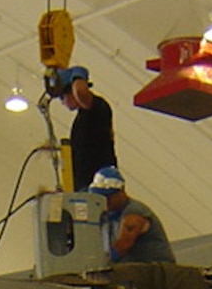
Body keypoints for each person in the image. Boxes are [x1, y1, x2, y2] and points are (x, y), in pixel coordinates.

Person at [51, 66, 115, 195]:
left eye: (62, 97)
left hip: (100, 186)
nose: (62, 102)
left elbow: (81, 92)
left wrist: (78, 76)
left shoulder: (97, 107)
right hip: (85, 187)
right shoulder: (80, 119)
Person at [90, 166, 174, 263]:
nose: (105, 201)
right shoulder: (108, 216)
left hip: (156, 268)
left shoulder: (134, 213)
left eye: (108, 197)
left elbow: (122, 246)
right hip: (137, 267)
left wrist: (98, 263)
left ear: (121, 192)